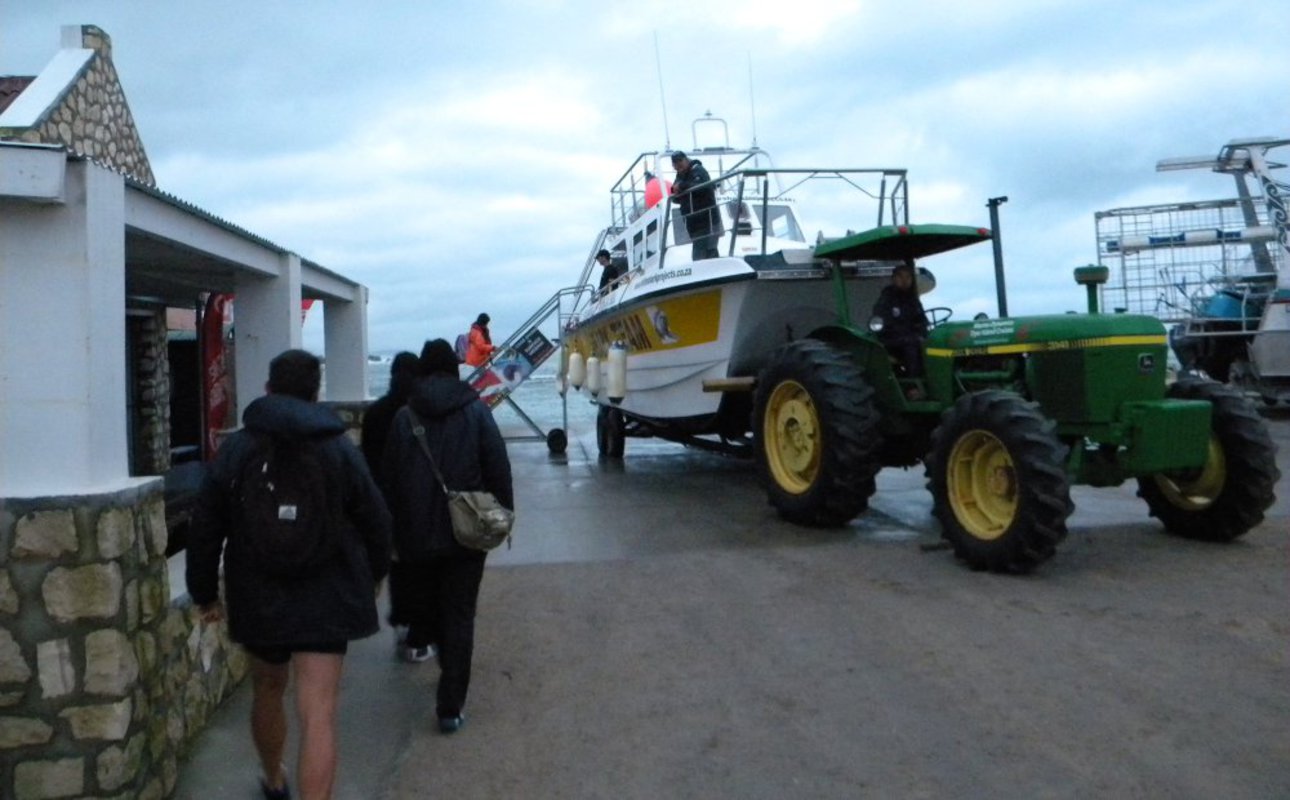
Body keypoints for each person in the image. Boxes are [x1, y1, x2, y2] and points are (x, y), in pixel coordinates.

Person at [187, 349, 392, 800]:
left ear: (268, 389)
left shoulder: (238, 448)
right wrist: (374, 575)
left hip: (258, 594)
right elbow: (377, 520)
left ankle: (274, 779)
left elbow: (206, 524)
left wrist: (203, 592)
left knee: (267, 687)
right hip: (329, 592)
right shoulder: (339, 448)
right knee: (318, 712)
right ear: (315, 394)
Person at [381, 339, 513, 735]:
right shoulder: (476, 410)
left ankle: (445, 661)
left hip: (417, 535)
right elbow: (497, 466)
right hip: (468, 532)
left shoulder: (404, 417)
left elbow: (389, 481)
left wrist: (392, 534)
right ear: (456, 371)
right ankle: (450, 706)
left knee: (429, 608)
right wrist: (504, 514)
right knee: (460, 614)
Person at [360, 351, 422, 654]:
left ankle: (401, 622)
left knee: (396, 565)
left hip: (384, 502)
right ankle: (418, 632)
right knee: (420, 567)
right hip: (418, 502)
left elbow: (366, 460)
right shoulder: (419, 413)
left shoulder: (376, 413)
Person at [871, 260, 929, 380]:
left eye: (908, 277)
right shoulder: (886, 299)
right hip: (891, 341)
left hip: (912, 337)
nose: (904, 280)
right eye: (900, 277)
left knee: (933, 343)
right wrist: (909, 333)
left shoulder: (913, 299)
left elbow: (922, 319)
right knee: (911, 344)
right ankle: (914, 381)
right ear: (893, 279)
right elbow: (882, 325)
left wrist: (922, 332)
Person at [670, 151, 721, 260]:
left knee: (702, 251)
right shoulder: (680, 175)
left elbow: (700, 187)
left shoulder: (698, 170)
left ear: (686, 160)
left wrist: (681, 187)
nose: (678, 166)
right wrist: (676, 190)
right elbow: (674, 191)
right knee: (707, 250)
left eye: (680, 162)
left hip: (706, 219)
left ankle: (710, 268)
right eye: (675, 164)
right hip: (693, 222)